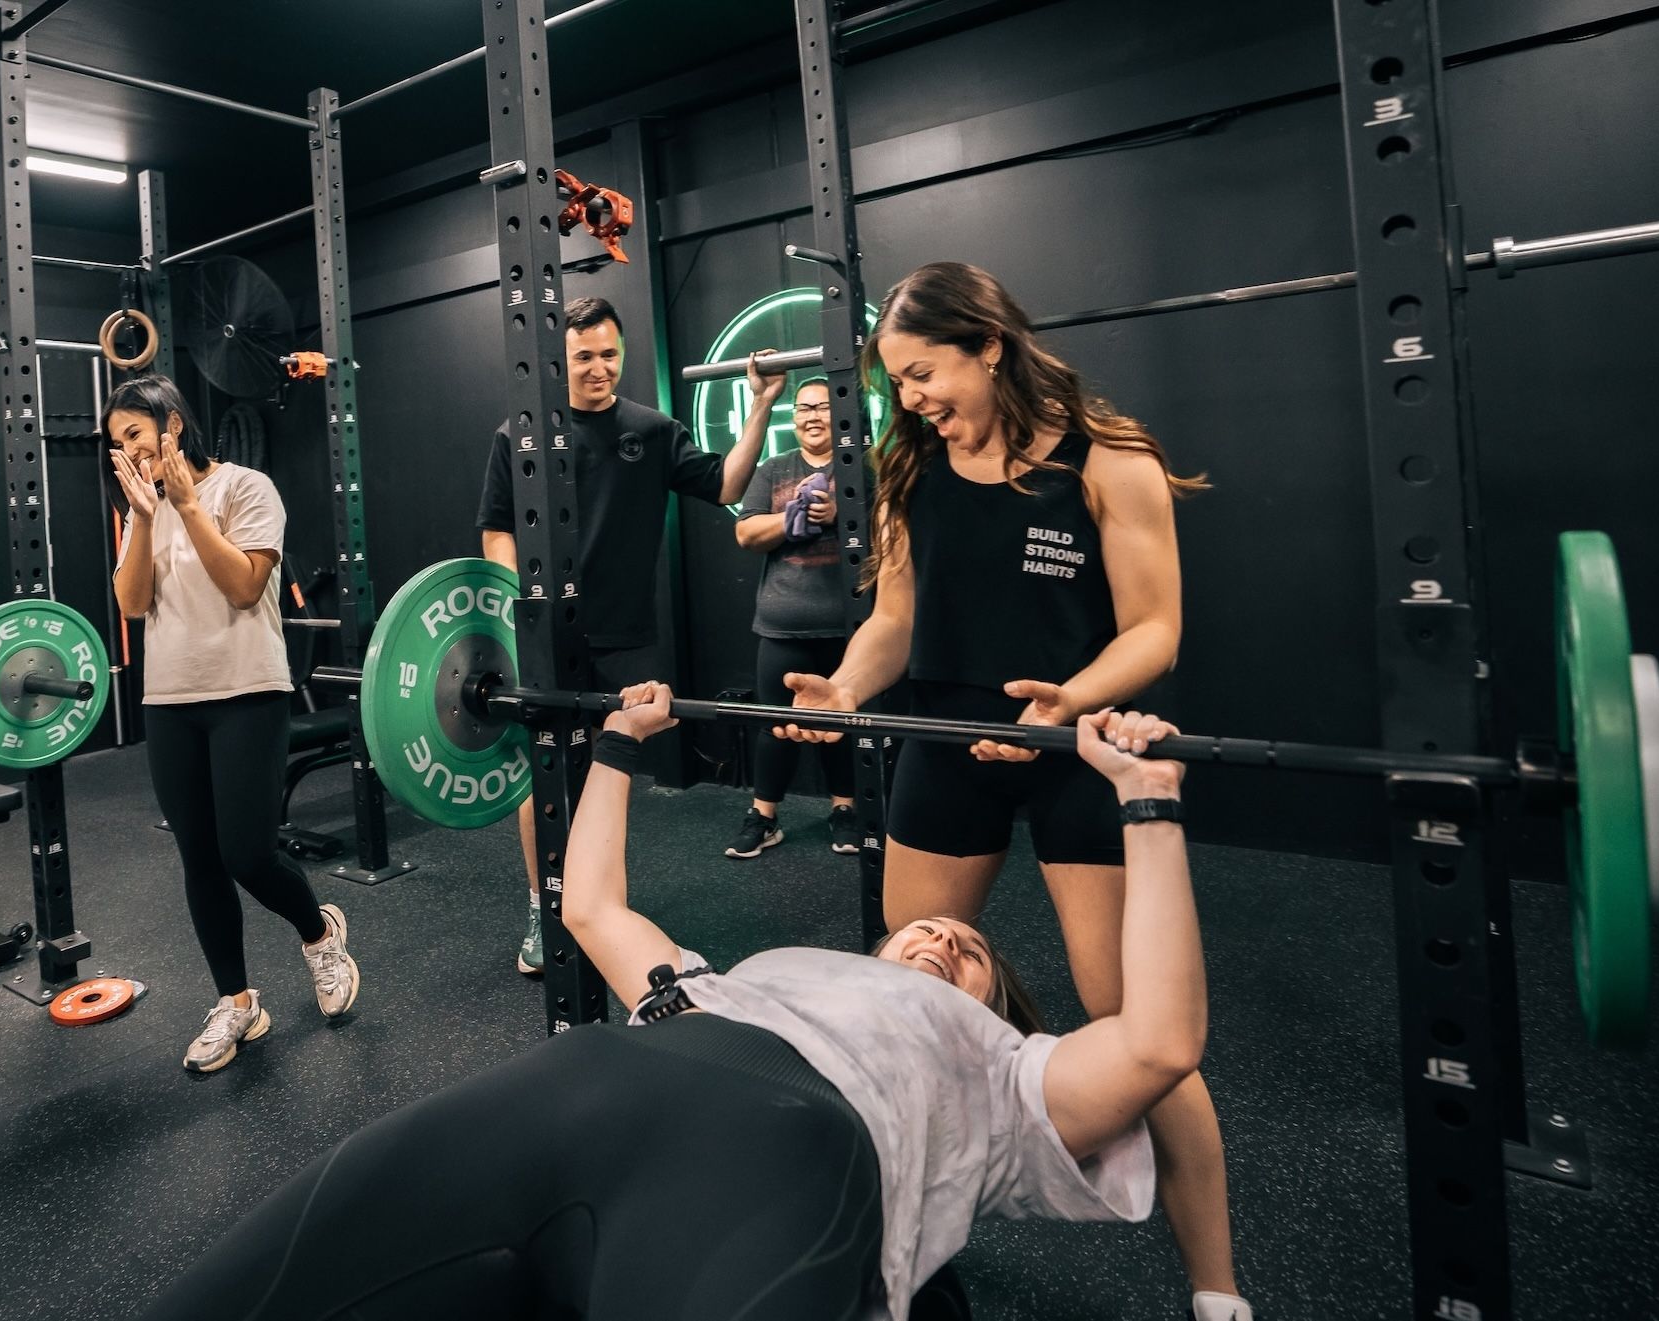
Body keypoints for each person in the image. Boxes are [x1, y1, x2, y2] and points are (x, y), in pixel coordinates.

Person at [140, 685, 1211, 1321]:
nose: (939, 937)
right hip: (594, 1080)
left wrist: (1147, 801)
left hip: (789, 1145)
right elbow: (592, 906)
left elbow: (1160, 1042)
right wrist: (618, 743)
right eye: (925, 931)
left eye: (969, 956)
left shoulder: (1008, 1078)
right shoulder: (734, 977)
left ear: (1000, 1015)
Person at [774, 261, 1245, 1319]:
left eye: (922, 374)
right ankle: (900, 1237)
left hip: (1080, 750)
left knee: (1141, 1027)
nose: (910, 401)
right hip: (946, 745)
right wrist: (846, 685)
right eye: (897, 383)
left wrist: (1069, 701)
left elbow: (1156, 628)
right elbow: (896, 617)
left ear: (989, 346)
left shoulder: (1108, 459)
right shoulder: (909, 467)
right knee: (904, 1004)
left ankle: (1217, 1291)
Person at [476, 295, 768, 973]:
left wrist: (759, 405)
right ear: (559, 361)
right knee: (546, 776)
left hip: (624, 635)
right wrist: (528, 607)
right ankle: (543, 905)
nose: (599, 367)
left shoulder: (653, 430)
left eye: (610, 354)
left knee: (609, 775)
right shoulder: (518, 436)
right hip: (550, 638)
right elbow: (496, 530)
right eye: (584, 356)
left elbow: (727, 483)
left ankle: (600, 907)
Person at [106, 373, 360, 1074]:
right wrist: (144, 520)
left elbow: (245, 586)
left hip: (248, 691)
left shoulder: (246, 488)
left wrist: (188, 507)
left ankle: (319, 932)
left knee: (248, 853)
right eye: (116, 442)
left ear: (172, 425)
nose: (127, 450)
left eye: (135, 433)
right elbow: (132, 603)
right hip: (169, 700)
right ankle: (237, 1001)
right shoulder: (142, 509)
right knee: (200, 858)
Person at [726, 374, 869, 859]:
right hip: (782, 624)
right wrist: (793, 518)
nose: (812, 416)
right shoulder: (774, 468)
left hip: (849, 626)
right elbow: (746, 533)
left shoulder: (864, 468)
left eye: (823, 407)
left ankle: (845, 811)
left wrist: (838, 516)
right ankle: (764, 817)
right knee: (775, 726)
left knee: (840, 724)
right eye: (804, 408)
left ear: (841, 413)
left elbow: (889, 530)